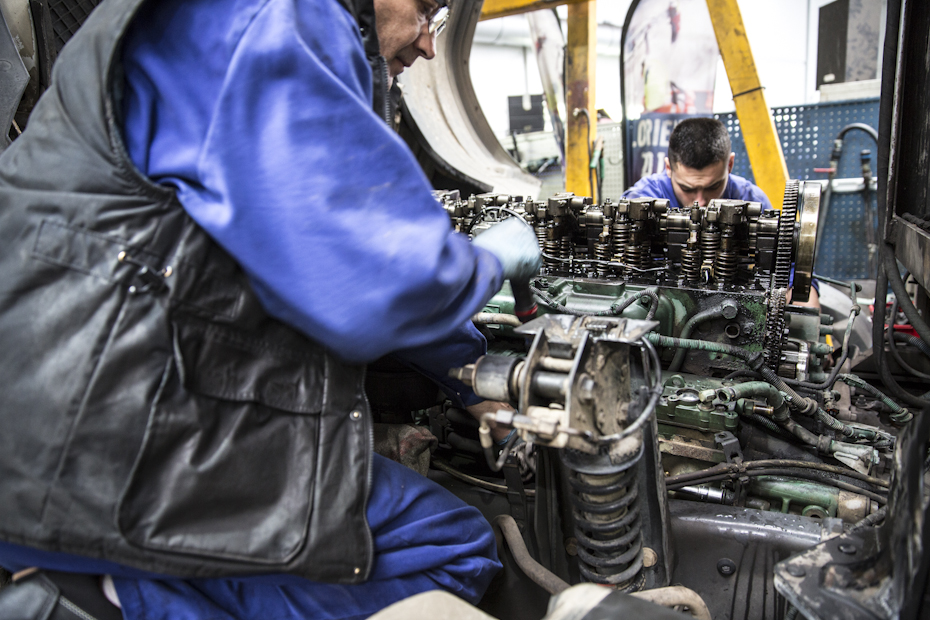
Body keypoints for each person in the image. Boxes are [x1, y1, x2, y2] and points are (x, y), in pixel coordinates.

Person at [0, 0, 541, 616]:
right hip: (99, 444)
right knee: (451, 546)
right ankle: (114, 596)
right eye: (427, 9)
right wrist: (486, 261)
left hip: (89, 413)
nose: (428, 43)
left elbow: (337, 243)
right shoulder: (271, 14)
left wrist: (469, 377)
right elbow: (366, 288)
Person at [624, 117, 819, 307]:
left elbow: (793, 274)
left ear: (730, 164)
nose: (700, 201)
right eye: (687, 188)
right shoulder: (642, 199)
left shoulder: (752, 200)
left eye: (713, 186)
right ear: (668, 167)